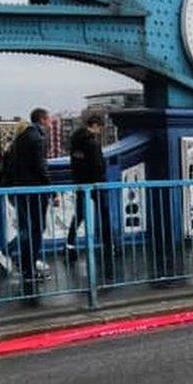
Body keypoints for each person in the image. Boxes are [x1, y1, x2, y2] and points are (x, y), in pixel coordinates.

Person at [5, 108, 53, 297]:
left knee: (28, 227)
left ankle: (25, 264)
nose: (50, 123)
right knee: (35, 229)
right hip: (34, 190)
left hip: (19, 189)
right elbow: (41, 166)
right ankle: (28, 267)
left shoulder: (21, 138)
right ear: (42, 119)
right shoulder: (37, 139)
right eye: (49, 119)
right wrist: (51, 189)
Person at [66, 113, 115, 278]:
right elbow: (98, 164)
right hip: (95, 183)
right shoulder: (92, 142)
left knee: (79, 213)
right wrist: (101, 177)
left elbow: (75, 162)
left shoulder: (75, 140)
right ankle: (109, 246)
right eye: (100, 127)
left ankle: (69, 244)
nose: (100, 131)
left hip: (80, 182)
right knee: (104, 212)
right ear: (95, 125)